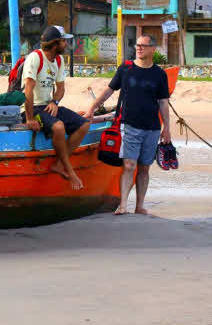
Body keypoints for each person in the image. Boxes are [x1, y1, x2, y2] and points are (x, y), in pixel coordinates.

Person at [83, 35, 171, 215]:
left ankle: (139, 206)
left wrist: (167, 129)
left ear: (153, 49)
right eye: (137, 45)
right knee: (129, 164)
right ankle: (123, 205)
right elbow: (109, 90)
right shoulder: (126, 68)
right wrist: (92, 108)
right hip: (129, 124)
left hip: (152, 127)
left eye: (143, 46)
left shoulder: (159, 74)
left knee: (144, 167)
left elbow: (163, 102)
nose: (139, 48)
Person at [22, 25, 89, 190]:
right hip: (30, 108)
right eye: (63, 41)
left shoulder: (58, 61)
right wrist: (30, 118)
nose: (66, 44)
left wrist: (55, 102)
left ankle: (59, 164)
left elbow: (60, 88)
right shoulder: (35, 58)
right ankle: (70, 170)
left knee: (84, 124)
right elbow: (28, 90)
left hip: (47, 106)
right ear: (55, 43)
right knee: (58, 127)